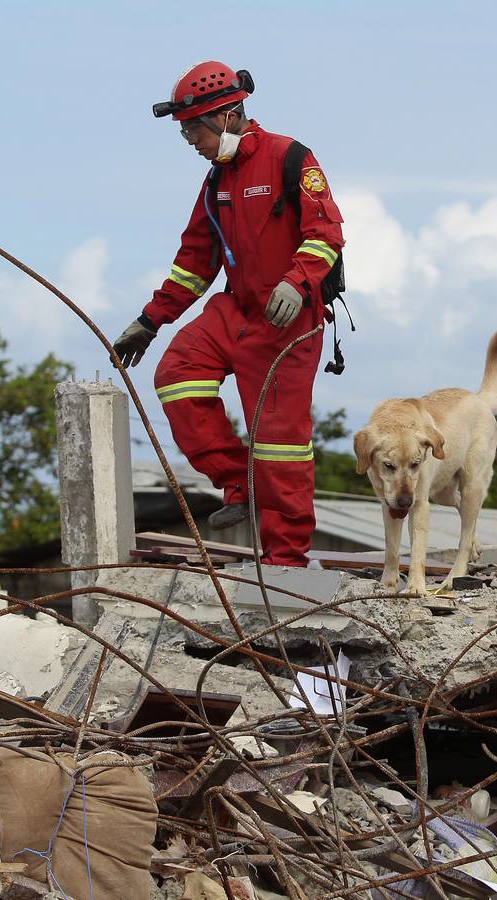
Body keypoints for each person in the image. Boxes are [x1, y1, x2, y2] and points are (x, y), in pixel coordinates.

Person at [111, 61, 344, 566]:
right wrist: (151, 320)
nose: (190, 140)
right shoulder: (215, 180)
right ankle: (238, 482)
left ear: (228, 115)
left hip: (288, 322)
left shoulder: (291, 157)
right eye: (185, 132)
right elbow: (195, 261)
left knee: (280, 444)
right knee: (177, 375)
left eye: (193, 129)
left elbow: (326, 234)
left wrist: (297, 282)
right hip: (235, 310)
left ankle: (287, 560)